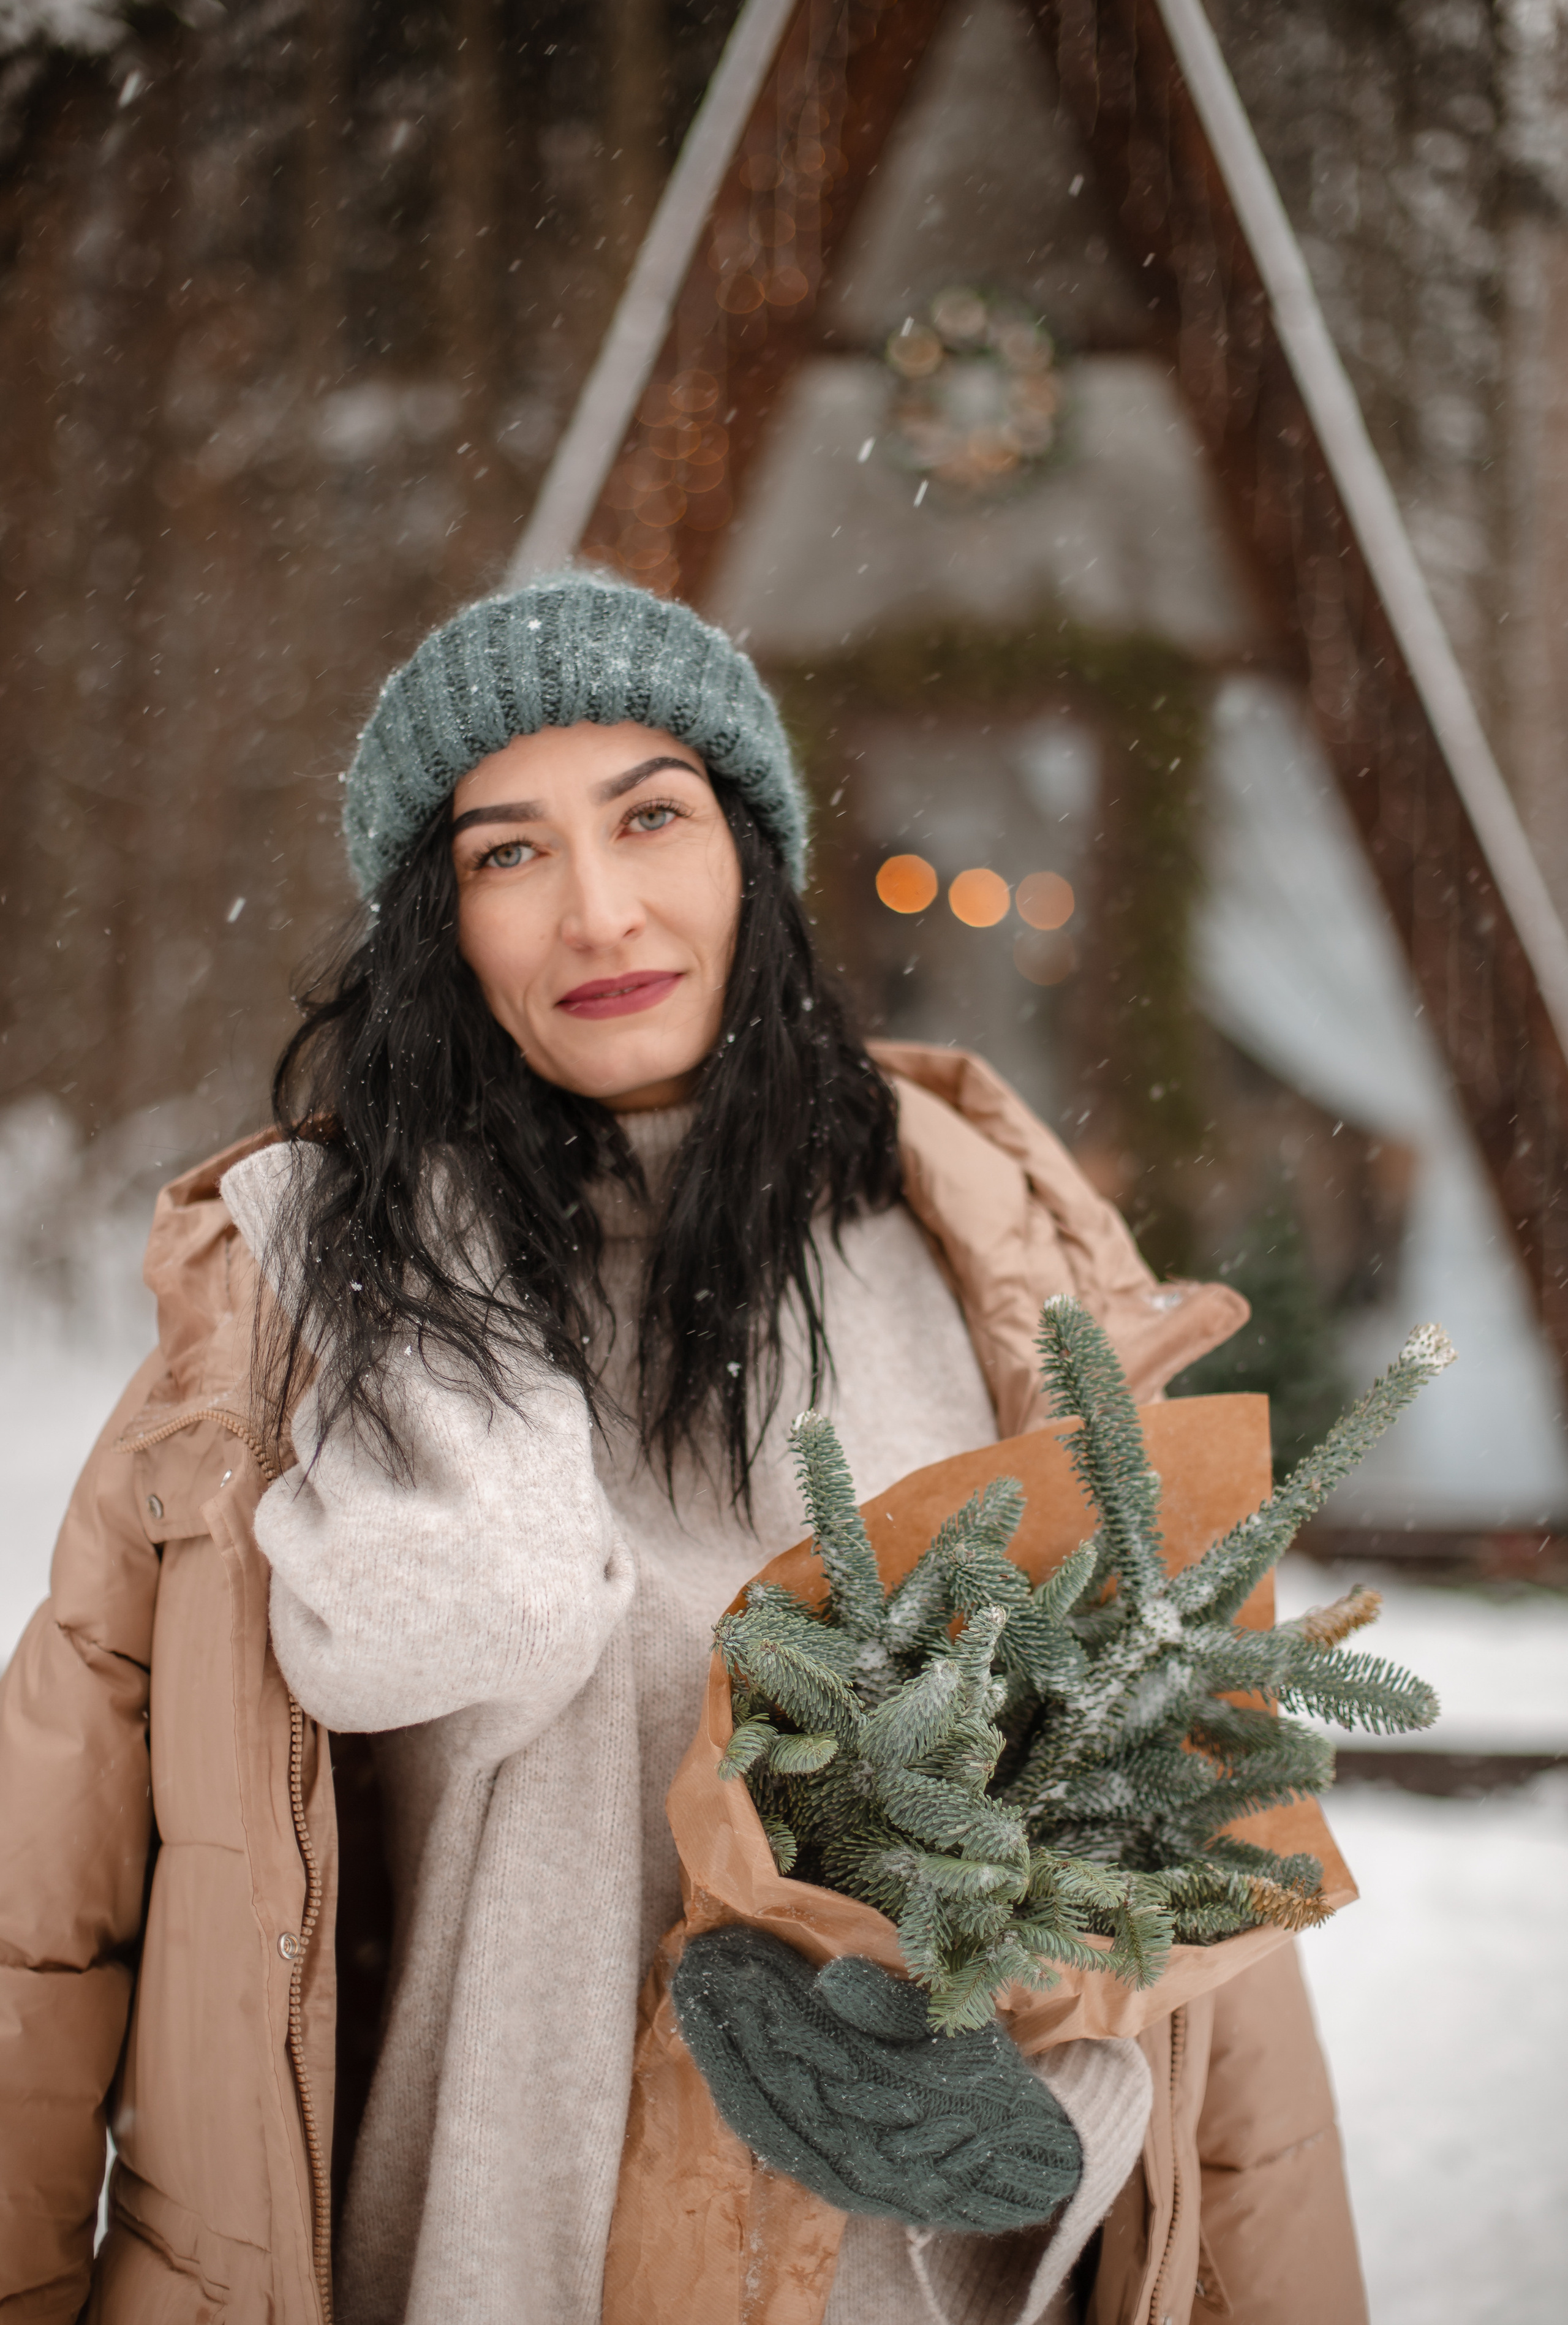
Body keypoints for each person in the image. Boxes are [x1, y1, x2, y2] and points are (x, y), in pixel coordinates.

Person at [0, 574, 1369, 2325]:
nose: (599, 910)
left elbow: (1209, 1970)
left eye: (654, 816)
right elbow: (39, 1940)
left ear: (751, 859)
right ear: (441, 925)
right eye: (507, 854)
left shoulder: (983, 1285)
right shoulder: (286, 1317)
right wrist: (412, 1237)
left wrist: (1033, 2083)